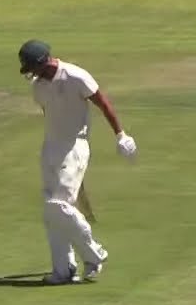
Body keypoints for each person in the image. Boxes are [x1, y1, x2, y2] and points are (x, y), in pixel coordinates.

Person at [18, 39, 138, 284]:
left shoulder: (75, 76)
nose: (30, 73)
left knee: (57, 206)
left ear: (43, 62)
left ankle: (94, 253)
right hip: (50, 148)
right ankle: (63, 270)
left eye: (32, 66)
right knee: (51, 214)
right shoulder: (38, 87)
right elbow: (50, 115)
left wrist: (120, 135)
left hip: (75, 147)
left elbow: (102, 103)